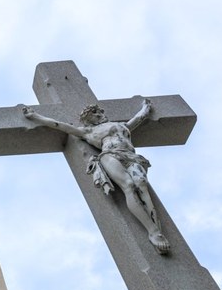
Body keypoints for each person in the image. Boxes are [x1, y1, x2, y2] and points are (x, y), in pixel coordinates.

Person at [22, 99, 171, 254]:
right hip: (110, 156)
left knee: (141, 183)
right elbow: (59, 125)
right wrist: (35, 116)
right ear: (87, 119)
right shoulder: (88, 132)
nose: (100, 114)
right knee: (129, 186)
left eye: (100, 111)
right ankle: (153, 232)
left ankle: (156, 227)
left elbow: (139, 118)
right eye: (94, 113)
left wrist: (145, 108)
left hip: (131, 156)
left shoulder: (123, 126)